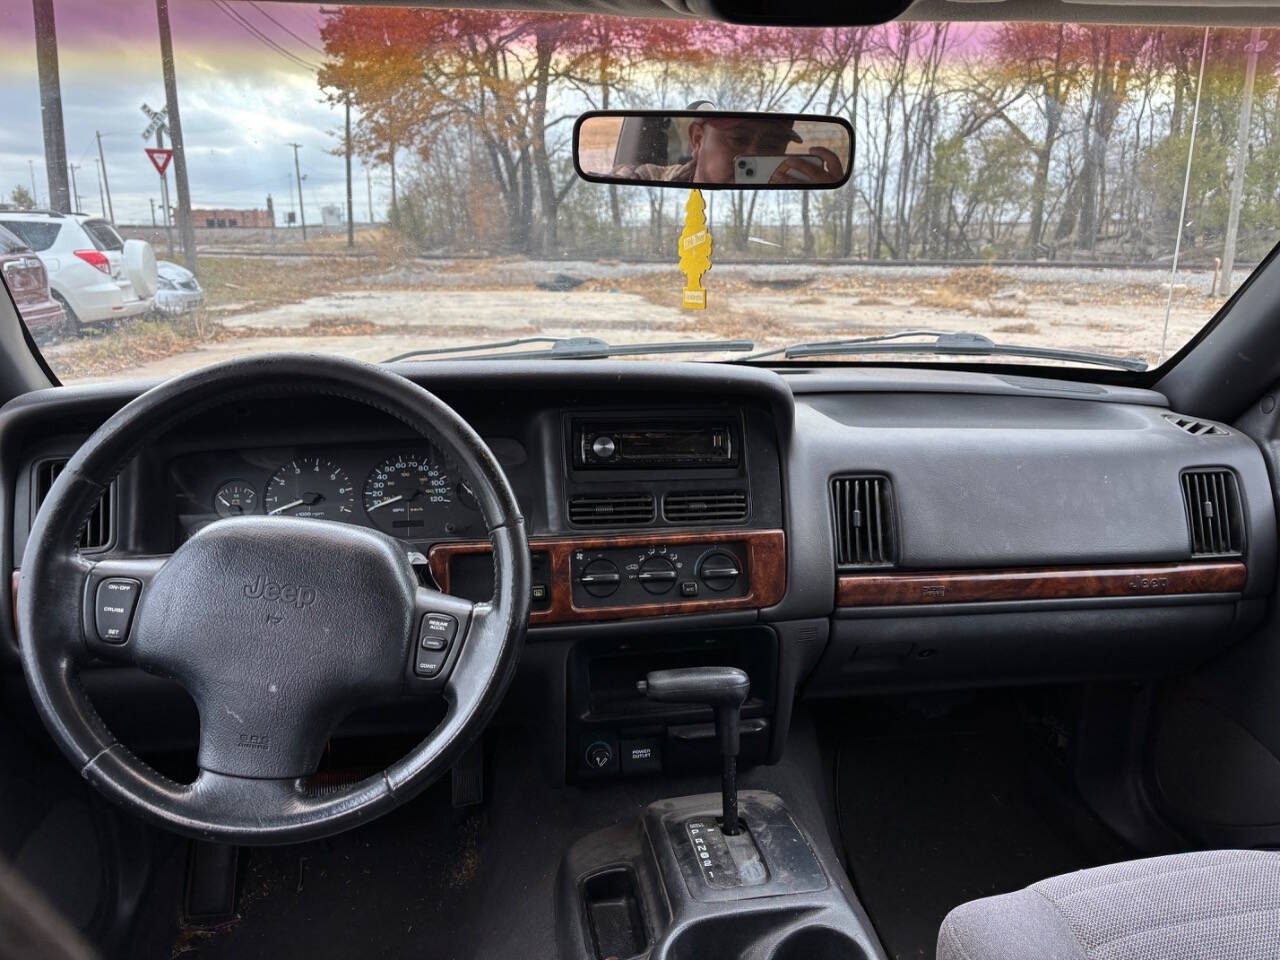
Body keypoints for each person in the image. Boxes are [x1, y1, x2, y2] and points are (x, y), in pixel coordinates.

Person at [612, 114, 845, 186]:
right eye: (739, 139)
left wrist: (825, 194)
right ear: (697, 139)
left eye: (771, 145)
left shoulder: (785, 194)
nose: (753, 155)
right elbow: (623, 178)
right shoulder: (646, 179)